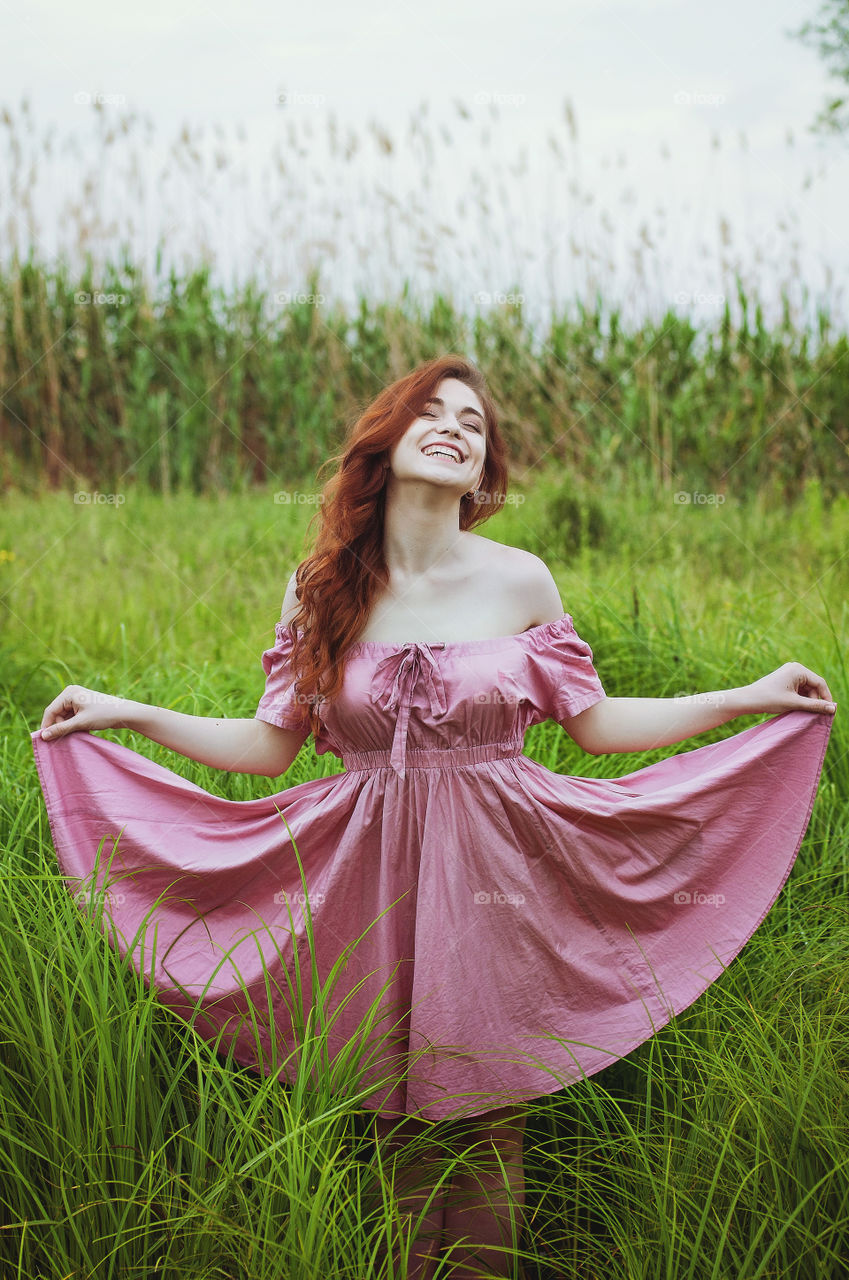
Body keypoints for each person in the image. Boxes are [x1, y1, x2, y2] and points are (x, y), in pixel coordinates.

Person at [32, 355, 836, 1279]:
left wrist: (749, 695)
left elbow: (598, 726)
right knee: (396, 1120)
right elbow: (267, 746)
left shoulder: (519, 580)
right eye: (433, 411)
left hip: (502, 868)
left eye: (474, 423)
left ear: (483, 467)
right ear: (387, 438)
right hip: (367, 875)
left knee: (493, 1119)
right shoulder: (321, 585)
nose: (456, 427)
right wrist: (124, 712)